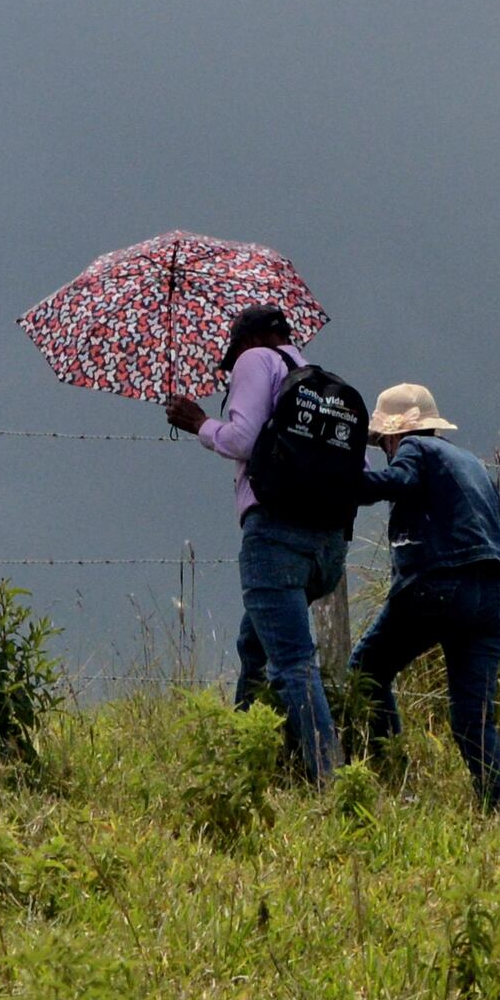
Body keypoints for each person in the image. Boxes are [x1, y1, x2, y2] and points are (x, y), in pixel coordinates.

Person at [164, 303, 370, 777]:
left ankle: (329, 780)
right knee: (254, 647)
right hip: (328, 548)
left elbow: (241, 439)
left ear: (251, 341)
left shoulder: (256, 362)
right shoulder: (319, 380)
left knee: (292, 664)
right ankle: (246, 757)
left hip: (276, 538)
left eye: (231, 354)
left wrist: (199, 424)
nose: (230, 366)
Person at [346, 385, 500, 809]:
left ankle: (391, 776)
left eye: (383, 440)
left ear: (393, 434)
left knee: (368, 669)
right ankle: (498, 808)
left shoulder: (415, 449)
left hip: (438, 584)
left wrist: (343, 481)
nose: (386, 448)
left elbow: (399, 481)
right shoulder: (472, 464)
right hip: (492, 595)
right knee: (473, 718)